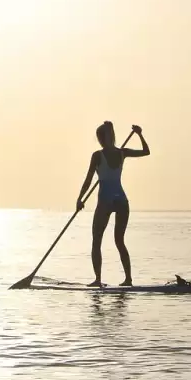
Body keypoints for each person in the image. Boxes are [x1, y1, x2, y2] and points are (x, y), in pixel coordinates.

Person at [76, 121, 150, 287]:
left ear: (108, 137)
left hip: (106, 200)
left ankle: (98, 280)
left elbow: (88, 179)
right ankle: (128, 279)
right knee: (119, 241)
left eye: (102, 137)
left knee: (97, 241)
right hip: (121, 200)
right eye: (99, 137)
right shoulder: (122, 152)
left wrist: (80, 199)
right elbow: (146, 151)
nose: (101, 140)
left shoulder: (97, 155)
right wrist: (139, 134)